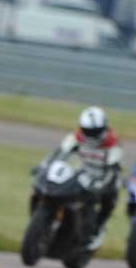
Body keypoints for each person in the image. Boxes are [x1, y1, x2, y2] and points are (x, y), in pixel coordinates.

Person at [40, 106, 123, 247]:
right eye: (87, 130)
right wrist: (44, 166)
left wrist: (102, 185)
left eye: (94, 131)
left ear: (103, 127)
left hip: (104, 179)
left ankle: (97, 229)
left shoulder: (112, 144)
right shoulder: (77, 136)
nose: (90, 134)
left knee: (110, 199)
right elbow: (60, 153)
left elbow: (112, 171)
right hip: (84, 173)